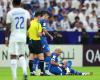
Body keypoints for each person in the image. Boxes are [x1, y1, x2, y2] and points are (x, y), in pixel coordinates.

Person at [6, 0, 30, 80]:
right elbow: (29, 24)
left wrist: (6, 38)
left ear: (12, 3)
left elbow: (8, 27)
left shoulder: (10, 13)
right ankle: (25, 72)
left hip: (14, 36)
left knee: (13, 55)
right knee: (21, 54)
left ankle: (15, 77)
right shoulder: (26, 12)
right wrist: (25, 31)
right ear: (20, 3)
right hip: (23, 36)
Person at [28, 11, 46, 76]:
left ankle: (31, 72)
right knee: (41, 57)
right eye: (40, 17)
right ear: (38, 16)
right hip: (36, 41)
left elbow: (27, 33)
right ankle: (41, 72)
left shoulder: (29, 23)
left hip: (30, 41)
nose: (40, 18)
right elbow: (38, 35)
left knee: (31, 57)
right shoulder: (38, 24)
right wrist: (42, 33)